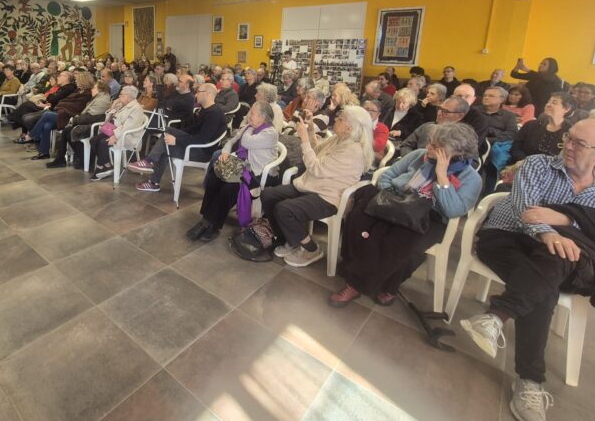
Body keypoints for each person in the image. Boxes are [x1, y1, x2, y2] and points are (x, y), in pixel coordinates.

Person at [459, 118, 595, 421]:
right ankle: (529, 382)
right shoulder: (540, 164)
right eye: (569, 138)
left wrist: (562, 223)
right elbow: (525, 210)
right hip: (506, 237)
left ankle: (497, 315)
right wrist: (551, 232)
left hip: (556, 260)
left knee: (553, 265)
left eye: (579, 143)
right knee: (546, 282)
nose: (568, 145)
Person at [332, 123, 482, 306]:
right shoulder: (419, 156)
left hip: (429, 217)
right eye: (430, 142)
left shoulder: (471, 178)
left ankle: (385, 285)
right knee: (358, 221)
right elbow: (387, 176)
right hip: (395, 202)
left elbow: (453, 210)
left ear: (455, 153)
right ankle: (356, 280)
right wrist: (396, 195)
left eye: (435, 146)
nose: (428, 147)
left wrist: (441, 176)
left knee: (401, 244)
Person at [261, 106, 375, 268]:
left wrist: (304, 140)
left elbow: (316, 168)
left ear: (350, 127)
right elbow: (315, 151)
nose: (335, 120)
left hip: (329, 197)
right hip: (312, 186)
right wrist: (310, 130)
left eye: (340, 118)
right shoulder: (339, 139)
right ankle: (289, 238)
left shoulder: (353, 150)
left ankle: (311, 249)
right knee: (268, 195)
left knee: (284, 209)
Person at [187, 101, 280, 242]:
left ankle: (208, 224)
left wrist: (247, 129)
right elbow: (231, 141)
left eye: (253, 114)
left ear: (263, 117)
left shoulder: (270, 133)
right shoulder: (249, 127)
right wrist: (225, 152)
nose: (249, 116)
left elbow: (246, 142)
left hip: (257, 173)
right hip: (241, 167)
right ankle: (208, 221)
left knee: (229, 187)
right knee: (214, 177)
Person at [129, 83, 227, 192]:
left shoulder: (214, 113)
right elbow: (194, 129)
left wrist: (177, 140)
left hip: (202, 152)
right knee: (168, 131)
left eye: (199, 92)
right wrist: (176, 134)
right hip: (196, 145)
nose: (196, 95)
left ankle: (152, 177)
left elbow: (203, 139)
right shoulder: (206, 109)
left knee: (166, 147)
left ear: (208, 94)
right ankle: (150, 166)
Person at [47, 81, 113, 169]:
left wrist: (74, 120)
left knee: (68, 131)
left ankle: (81, 159)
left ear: (101, 90)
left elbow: (90, 117)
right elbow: (88, 115)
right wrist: (75, 119)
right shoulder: (99, 97)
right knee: (67, 131)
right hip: (90, 123)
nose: (91, 90)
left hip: (94, 126)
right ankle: (67, 159)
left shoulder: (103, 100)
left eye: (94, 88)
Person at [28, 72, 93, 160]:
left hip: (71, 116)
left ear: (83, 81)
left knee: (46, 114)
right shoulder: (78, 90)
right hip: (64, 113)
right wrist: (62, 104)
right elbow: (66, 101)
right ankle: (44, 152)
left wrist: (61, 105)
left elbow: (76, 107)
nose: (76, 81)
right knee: (47, 125)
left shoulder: (87, 93)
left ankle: (31, 135)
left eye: (77, 80)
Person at [89, 86, 147, 179]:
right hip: (114, 130)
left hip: (128, 136)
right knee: (93, 140)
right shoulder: (121, 105)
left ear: (129, 97)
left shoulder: (136, 108)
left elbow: (128, 127)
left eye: (121, 95)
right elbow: (109, 119)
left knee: (103, 143)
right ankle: (107, 165)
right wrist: (113, 106)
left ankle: (101, 167)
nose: (119, 96)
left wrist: (115, 136)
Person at [510, 92, 576, 164]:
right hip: (524, 164)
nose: (548, 105)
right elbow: (516, 147)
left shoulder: (571, 131)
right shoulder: (530, 125)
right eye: (548, 102)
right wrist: (526, 162)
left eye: (554, 103)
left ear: (566, 109)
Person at [398, 96, 470, 157]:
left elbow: (472, 163)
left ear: (459, 116)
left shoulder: (464, 137)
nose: (438, 113)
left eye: (445, 111)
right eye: (439, 108)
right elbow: (406, 145)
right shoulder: (426, 126)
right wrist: (411, 159)